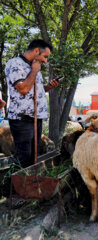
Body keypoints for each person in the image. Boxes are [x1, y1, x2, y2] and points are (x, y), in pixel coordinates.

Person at [4, 39, 59, 168]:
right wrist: (34, 70)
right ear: (36, 51)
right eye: (44, 56)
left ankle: (30, 186)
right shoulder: (15, 64)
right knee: (24, 157)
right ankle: (15, 186)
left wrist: (48, 87)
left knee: (34, 156)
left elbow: (33, 90)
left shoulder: (34, 66)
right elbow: (23, 89)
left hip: (36, 118)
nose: (45, 60)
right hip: (22, 119)